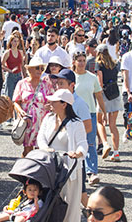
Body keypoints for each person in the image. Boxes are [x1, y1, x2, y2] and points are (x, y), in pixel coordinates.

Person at [37, 89, 88, 222]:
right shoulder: (48, 118)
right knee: (48, 201)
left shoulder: (76, 123)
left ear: (64, 104)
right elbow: (41, 137)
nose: (50, 103)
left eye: (54, 101)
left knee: (70, 204)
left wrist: (78, 153)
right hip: (50, 166)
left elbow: (83, 143)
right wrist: (46, 149)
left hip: (69, 168)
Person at [73, 51, 107, 185]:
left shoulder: (92, 77)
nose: (81, 63)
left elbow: (99, 96)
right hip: (74, 114)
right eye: (79, 60)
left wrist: (103, 111)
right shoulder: (71, 77)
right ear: (74, 62)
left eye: (83, 60)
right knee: (74, 142)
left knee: (90, 143)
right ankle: (76, 170)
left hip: (90, 113)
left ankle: (92, 172)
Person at [13, 57, 54, 157]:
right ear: (30, 69)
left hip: (43, 121)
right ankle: (24, 168)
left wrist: (50, 106)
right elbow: (15, 102)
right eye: (37, 68)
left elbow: (53, 100)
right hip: (28, 121)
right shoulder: (22, 84)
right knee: (27, 150)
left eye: (41, 69)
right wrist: (21, 111)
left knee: (41, 150)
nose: (40, 71)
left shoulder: (46, 84)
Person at [95, 44, 123, 162]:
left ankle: (105, 143)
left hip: (104, 95)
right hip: (115, 94)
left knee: (100, 121)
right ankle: (116, 152)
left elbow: (99, 82)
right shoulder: (114, 63)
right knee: (113, 125)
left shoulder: (99, 64)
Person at [2, 34, 25, 100]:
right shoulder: (8, 52)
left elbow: (22, 65)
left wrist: (24, 75)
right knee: (9, 96)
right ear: (11, 42)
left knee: (19, 96)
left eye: (17, 41)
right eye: (14, 41)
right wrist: (9, 70)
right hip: (10, 75)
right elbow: (2, 65)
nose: (16, 43)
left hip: (19, 75)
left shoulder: (20, 52)